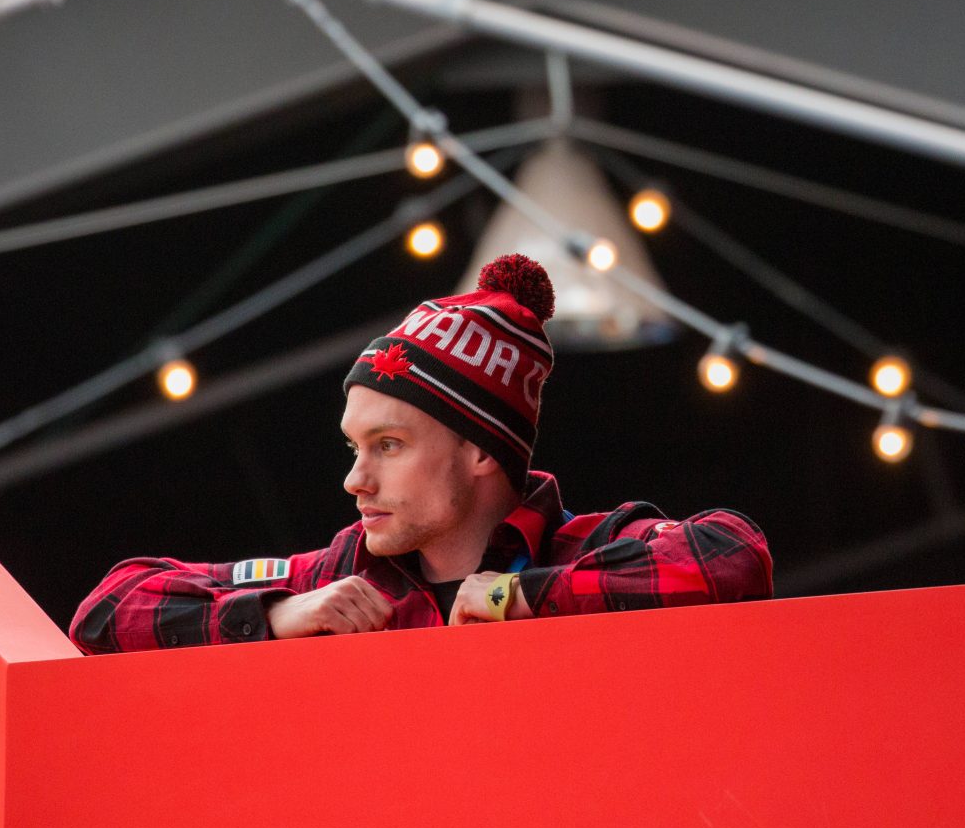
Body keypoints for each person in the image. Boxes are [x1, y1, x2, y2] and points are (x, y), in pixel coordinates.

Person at [69, 253, 772, 653]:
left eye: (389, 445)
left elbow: (732, 557)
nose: (355, 479)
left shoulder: (583, 548)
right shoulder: (331, 580)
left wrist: (516, 596)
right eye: (355, 446)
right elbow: (109, 608)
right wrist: (275, 616)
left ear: (480, 451)